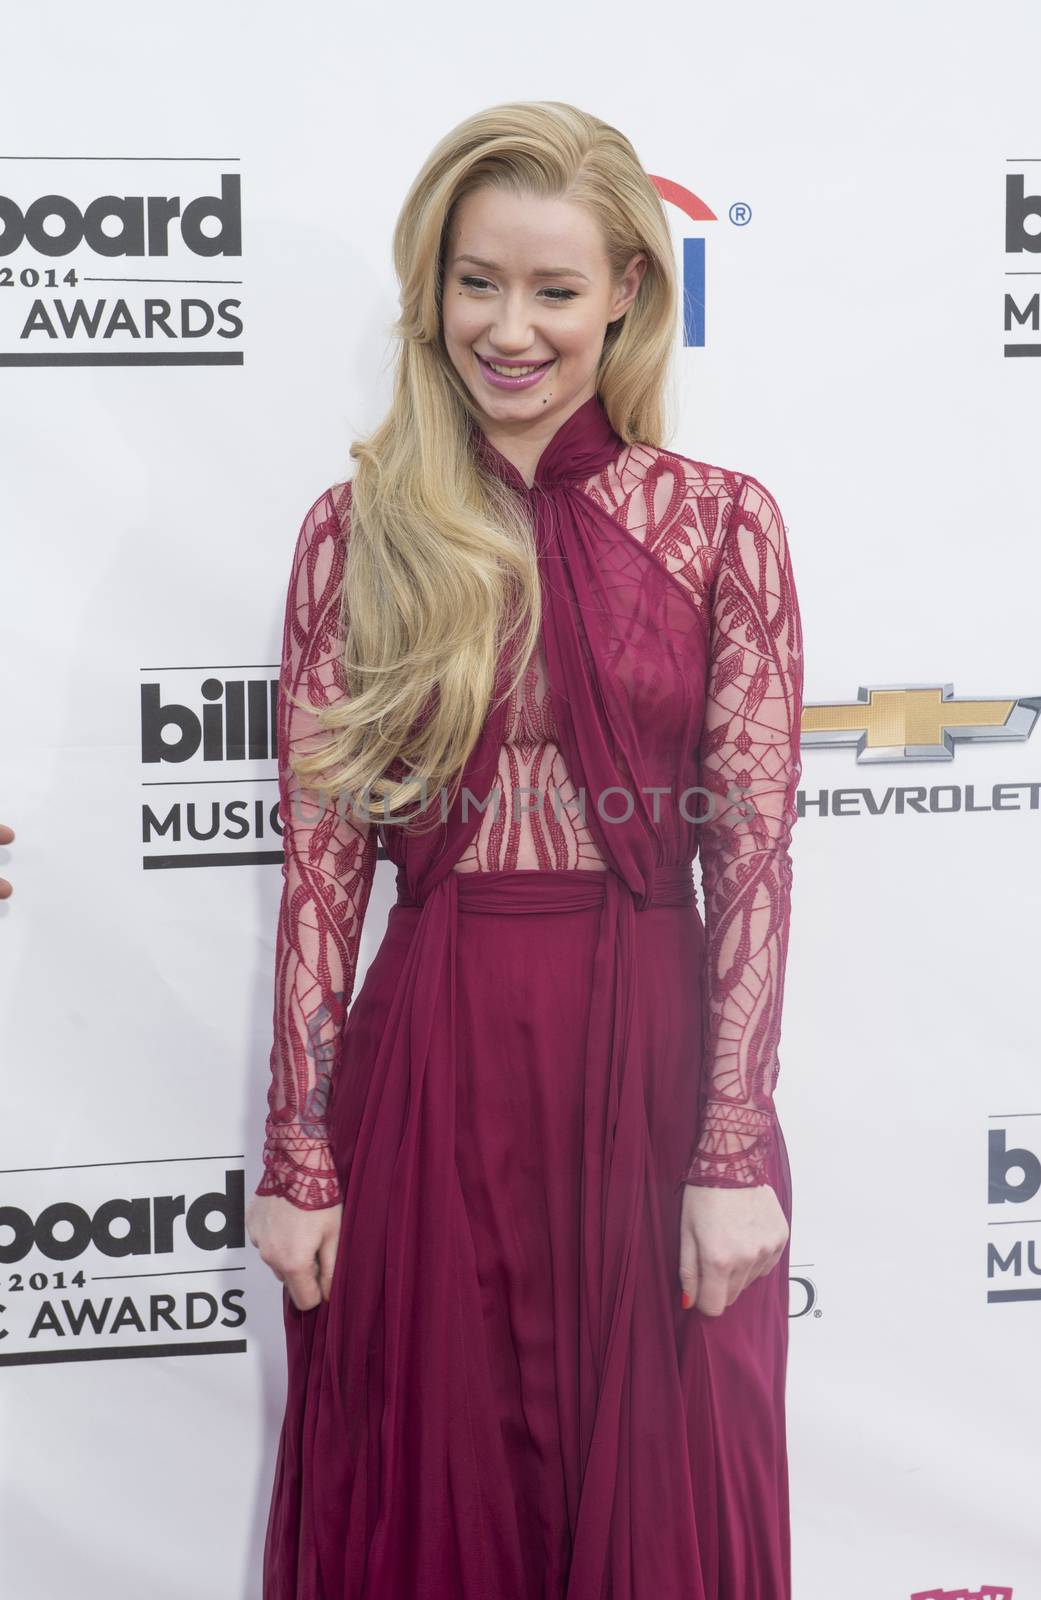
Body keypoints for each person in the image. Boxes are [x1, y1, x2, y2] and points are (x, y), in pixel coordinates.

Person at [246, 99, 804, 1600]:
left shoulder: (719, 526)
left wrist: (731, 1143)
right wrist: (300, 1150)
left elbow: (751, 854)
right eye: (474, 280)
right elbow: (320, 861)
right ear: (430, 287)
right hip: (427, 1062)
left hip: (652, 1056)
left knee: (665, 1502)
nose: (508, 327)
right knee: (425, 1489)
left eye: (552, 289)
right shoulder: (356, 533)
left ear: (626, 289)